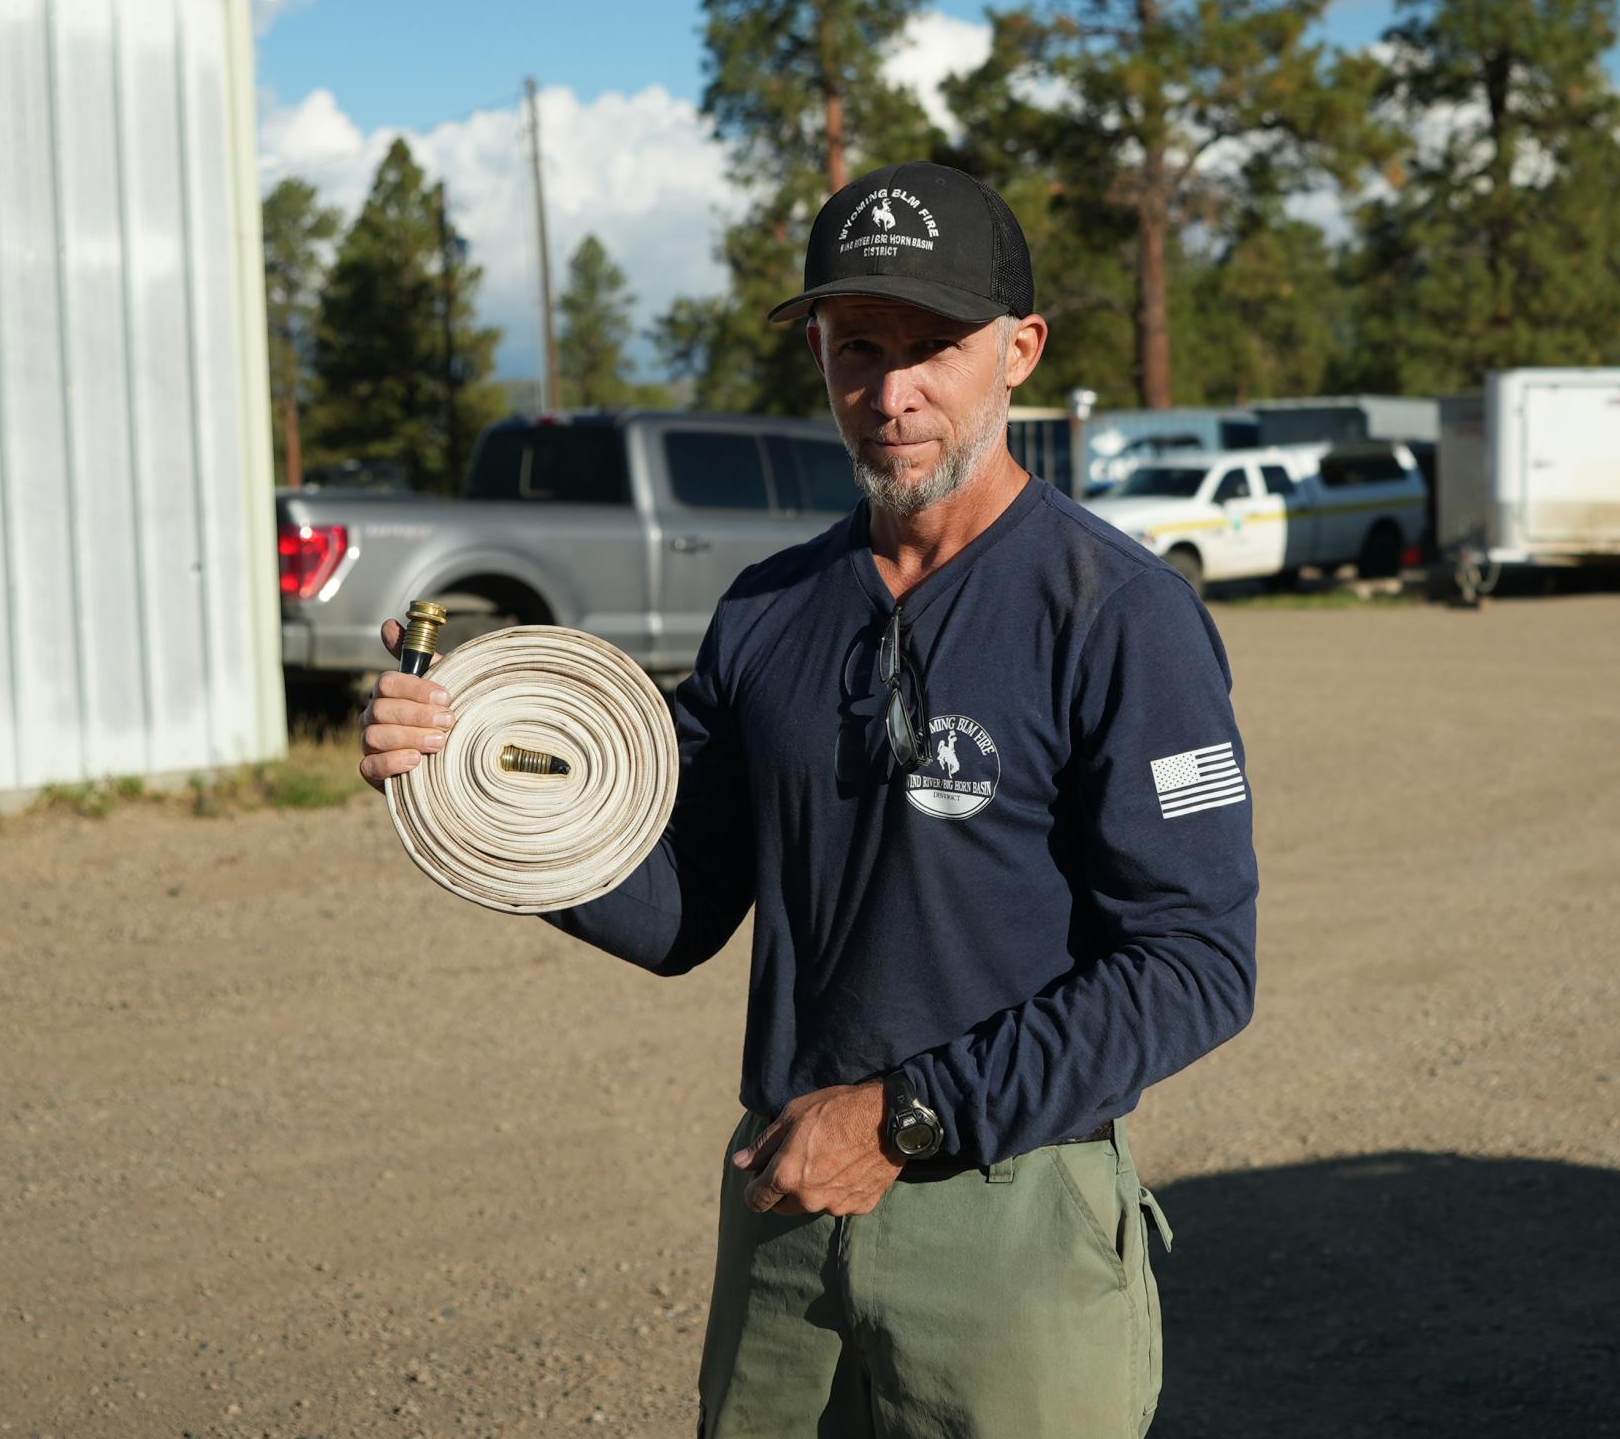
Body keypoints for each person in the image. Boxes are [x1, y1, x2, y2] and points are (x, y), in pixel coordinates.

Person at [359, 160, 1259, 1437]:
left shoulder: (1116, 615)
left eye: (932, 348)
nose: (889, 395)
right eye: (855, 349)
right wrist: (479, 795)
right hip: (785, 1203)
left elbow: (1195, 964)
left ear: (1019, 350)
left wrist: (906, 1119)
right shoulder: (771, 608)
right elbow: (677, 907)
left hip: (1007, 1212)